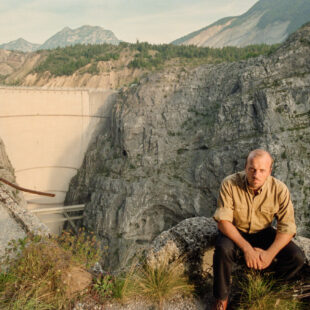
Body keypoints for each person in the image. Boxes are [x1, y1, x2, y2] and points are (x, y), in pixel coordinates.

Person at [212, 149, 305, 310]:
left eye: (262, 170)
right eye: (252, 169)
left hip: (263, 232)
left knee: (297, 257)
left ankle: (269, 286)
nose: (256, 175)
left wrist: (268, 255)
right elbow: (223, 222)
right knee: (223, 248)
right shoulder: (230, 183)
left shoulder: (279, 190)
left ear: (269, 171)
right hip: (236, 231)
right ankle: (222, 299)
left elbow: (287, 228)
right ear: (245, 167)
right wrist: (247, 249)